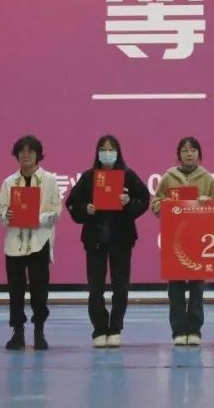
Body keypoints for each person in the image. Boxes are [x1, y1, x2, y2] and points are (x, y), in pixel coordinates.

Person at [65, 135, 150, 348]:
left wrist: (129, 202)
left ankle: (115, 328)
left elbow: (144, 200)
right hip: (95, 240)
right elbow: (72, 202)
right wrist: (86, 209)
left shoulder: (128, 176)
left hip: (122, 239)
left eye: (111, 149)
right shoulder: (89, 177)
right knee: (95, 287)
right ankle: (99, 328)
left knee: (121, 286)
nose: (107, 153)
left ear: (118, 152)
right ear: (97, 153)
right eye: (103, 149)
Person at [0, 135, 62, 350]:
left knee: (39, 291)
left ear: (38, 155)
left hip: (39, 242)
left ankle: (39, 331)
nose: (26, 155)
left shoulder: (49, 180)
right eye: (22, 151)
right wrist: (7, 214)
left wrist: (37, 217)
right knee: (15, 291)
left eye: (30, 151)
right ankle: (18, 332)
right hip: (14, 243)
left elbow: (56, 212)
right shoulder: (9, 182)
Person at [151, 136, 214, 346]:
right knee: (176, 288)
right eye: (184, 150)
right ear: (178, 155)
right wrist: (167, 204)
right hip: (175, 239)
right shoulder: (168, 177)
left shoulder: (207, 179)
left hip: (199, 239)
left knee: (197, 287)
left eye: (193, 150)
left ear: (199, 154)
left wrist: (209, 202)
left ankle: (195, 330)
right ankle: (179, 331)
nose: (189, 154)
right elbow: (155, 205)